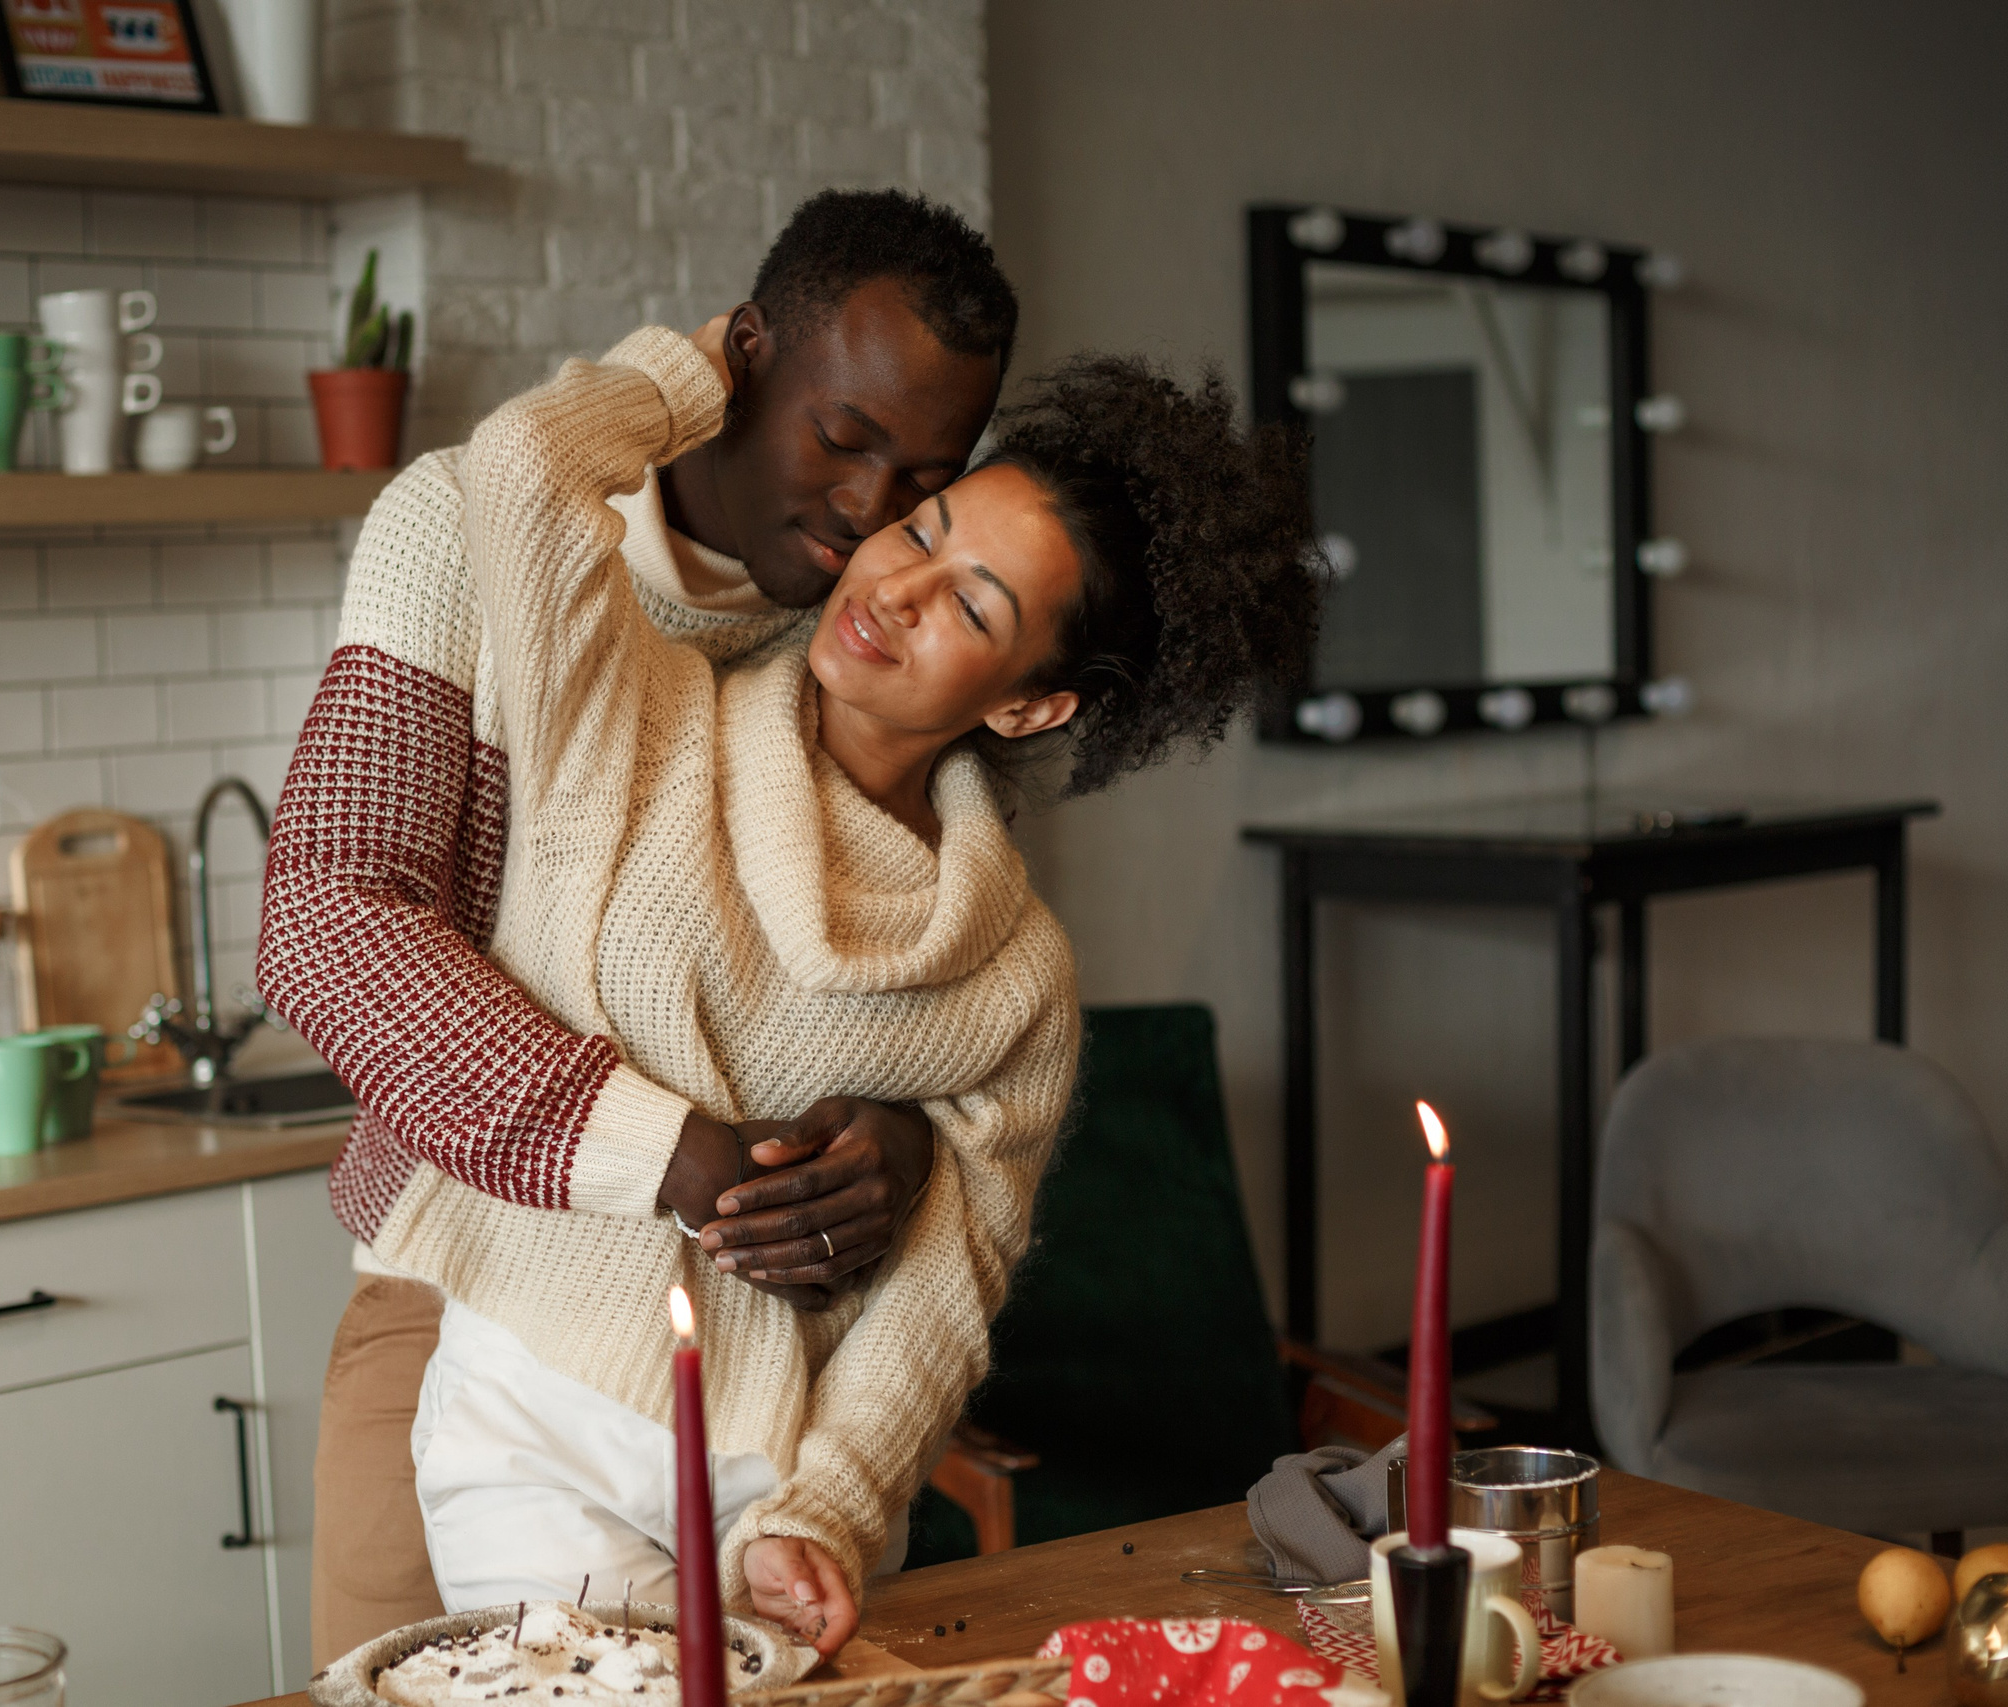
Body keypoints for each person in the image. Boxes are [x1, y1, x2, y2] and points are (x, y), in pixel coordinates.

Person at [367, 319, 1314, 1654]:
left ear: (1031, 707)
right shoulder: (640, 715)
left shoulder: (1013, 973)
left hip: (772, 1493)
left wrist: (826, 1510)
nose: (901, 592)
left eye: (978, 606)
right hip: (530, 1424)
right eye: (924, 535)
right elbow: (521, 464)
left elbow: (944, 1291)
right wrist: (692, 377)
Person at [259, 190, 1021, 1669]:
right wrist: (681, 1154)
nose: (872, 513)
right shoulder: (472, 528)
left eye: (924, 475)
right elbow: (334, 914)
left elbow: (921, 996)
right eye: (844, 438)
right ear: (741, 359)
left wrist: (903, 1143)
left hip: (763, 1384)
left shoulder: (874, 632)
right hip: (462, 1298)